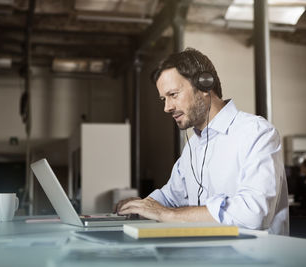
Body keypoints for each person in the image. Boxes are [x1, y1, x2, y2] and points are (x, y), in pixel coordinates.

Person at [116, 48, 289, 235]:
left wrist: (168, 214)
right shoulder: (193, 147)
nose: (167, 107)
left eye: (173, 95)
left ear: (205, 86)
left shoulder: (256, 133)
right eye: (163, 99)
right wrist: (138, 206)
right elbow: (170, 197)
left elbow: (254, 213)